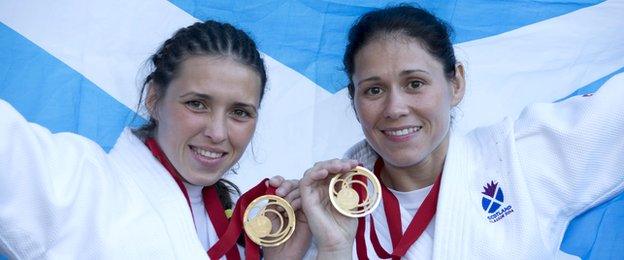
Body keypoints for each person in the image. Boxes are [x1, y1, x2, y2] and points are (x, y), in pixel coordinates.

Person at [298, 4, 624, 259]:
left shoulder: (517, 159)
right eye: (373, 90)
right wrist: (332, 251)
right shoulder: (329, 207)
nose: (395, 108)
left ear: (456, 84)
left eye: (415, 83)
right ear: (354, 101)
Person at [0, 20, 305, 259]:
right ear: (154, 98)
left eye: (240, 112)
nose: (217, 132)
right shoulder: (82, 183)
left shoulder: (252, 227)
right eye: (197, 104)